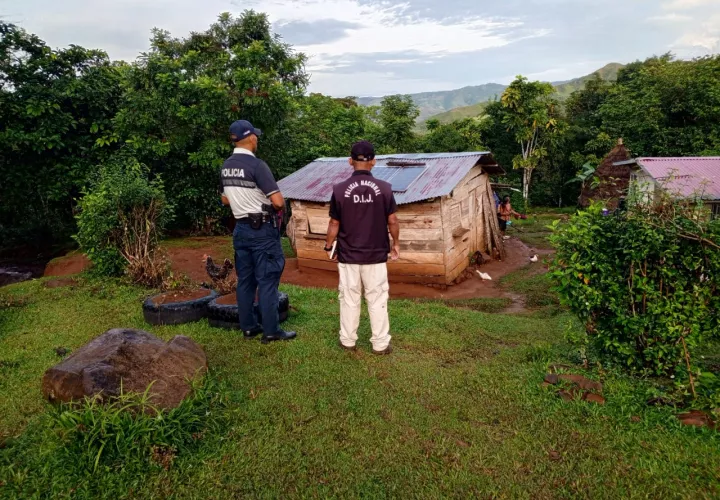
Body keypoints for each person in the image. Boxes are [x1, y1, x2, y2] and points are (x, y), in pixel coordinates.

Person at [220, 120, 296, 344]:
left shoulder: (226, 166)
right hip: (262, 230)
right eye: (256, 136)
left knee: (245, 280)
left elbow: (225, 199)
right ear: (251, 138)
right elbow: (279, 202)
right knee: (268, 279)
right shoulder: (257, 166)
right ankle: (271, 331)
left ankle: (249, 327)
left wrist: (242, 199)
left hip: (241, 228)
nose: (257, 140)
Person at [325, 141, 400, 355]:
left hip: (348, 255)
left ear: (350, 161)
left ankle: (348, 341)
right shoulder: (385, 189)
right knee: (377, 298)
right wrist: (396, 244)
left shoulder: (339, 190)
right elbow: (392, 220)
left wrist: (328, 245)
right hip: (376, 255)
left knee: (349, 298)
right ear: (374, 161)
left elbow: (333, 224)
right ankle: (380, 345)